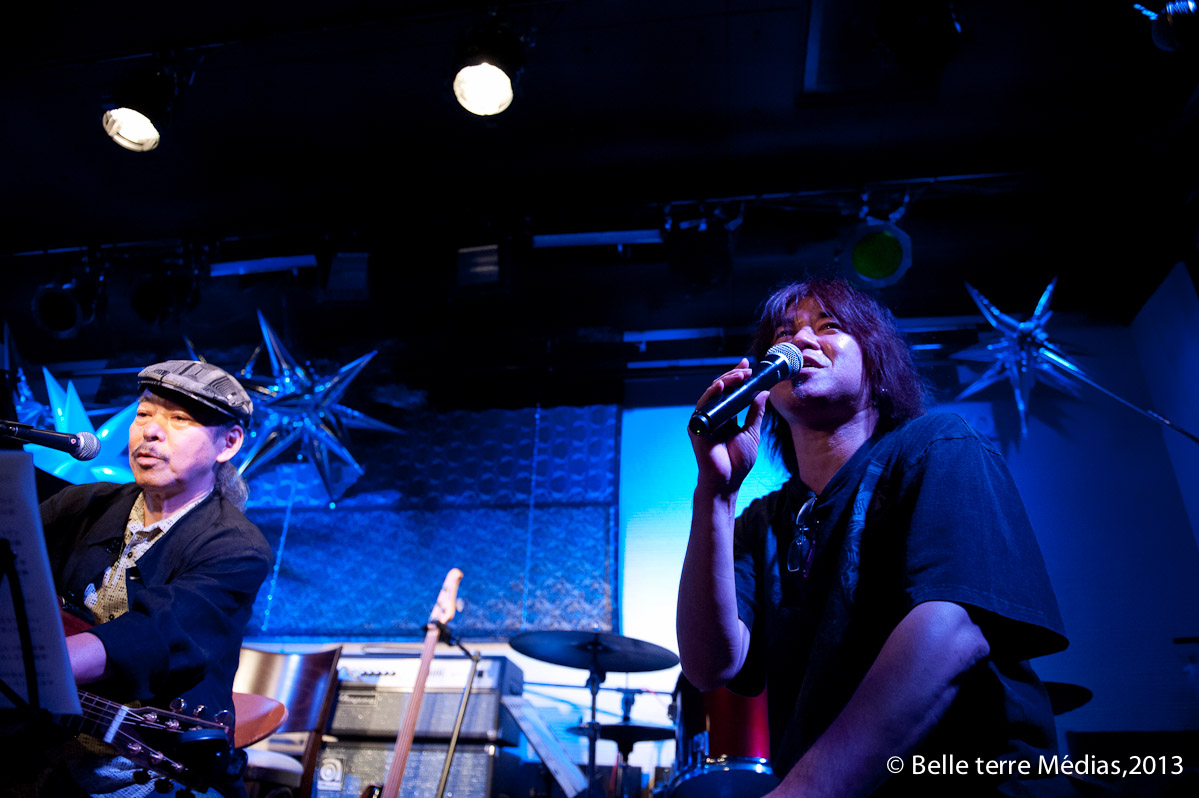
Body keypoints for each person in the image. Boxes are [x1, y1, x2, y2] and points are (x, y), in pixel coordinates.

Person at [677, 278, 1071, 797]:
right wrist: (715, 493)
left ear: (876, 360)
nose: (800, 340)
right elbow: (710, 666)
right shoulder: (762, 519)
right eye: (784, 333)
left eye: (829, 326)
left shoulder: (936, 446)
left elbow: (951, 631)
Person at [14, 360, 273, 798]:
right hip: (42, 755)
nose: (150, 431)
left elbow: (156, 633)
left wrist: (31, 667)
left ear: (228, 443)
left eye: (179, 419)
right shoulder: (80, 505)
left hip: (150, 768)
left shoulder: (238, 547)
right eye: (143, 414)